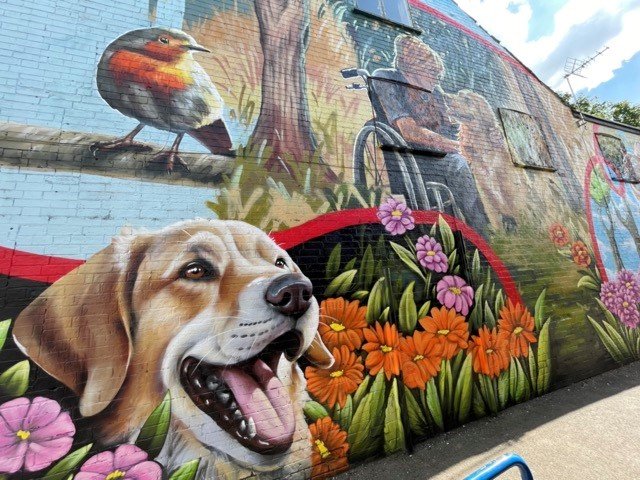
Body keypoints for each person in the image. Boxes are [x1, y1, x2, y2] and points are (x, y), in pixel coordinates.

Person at [370, 35, 490, 233]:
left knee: (478, 163)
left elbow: (449, 124)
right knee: (459, 163)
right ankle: (482, 232)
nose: (436, 79)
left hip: (441, 152)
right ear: (412, 68)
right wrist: (459, 148)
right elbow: (409, 131)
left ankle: (486, 228)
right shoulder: (386, 78)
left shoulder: (434, 91)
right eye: (432, 73)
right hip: (412, 156)